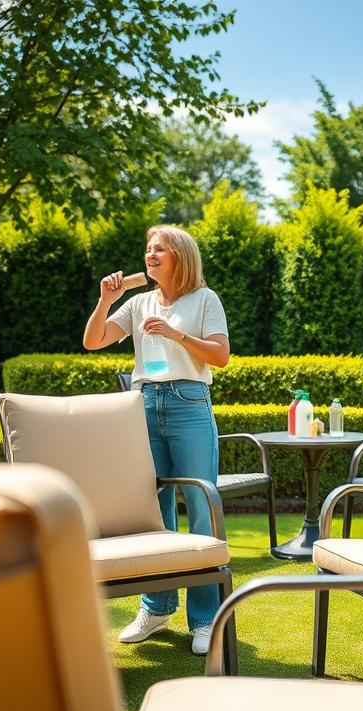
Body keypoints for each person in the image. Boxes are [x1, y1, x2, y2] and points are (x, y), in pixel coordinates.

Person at [83, 225, 230, 656]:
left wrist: (176, 334)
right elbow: (93, 341)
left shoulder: (205, 300)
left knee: (200, 508)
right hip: (144, 404)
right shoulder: (138, 302)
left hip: (188, 403)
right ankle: (157, 608)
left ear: (179, 256)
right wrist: (106, 300)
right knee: (154, 509)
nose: (149, 256)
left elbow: (220, 357)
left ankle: (205, 619)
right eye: (147, 249)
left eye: (158, 249)